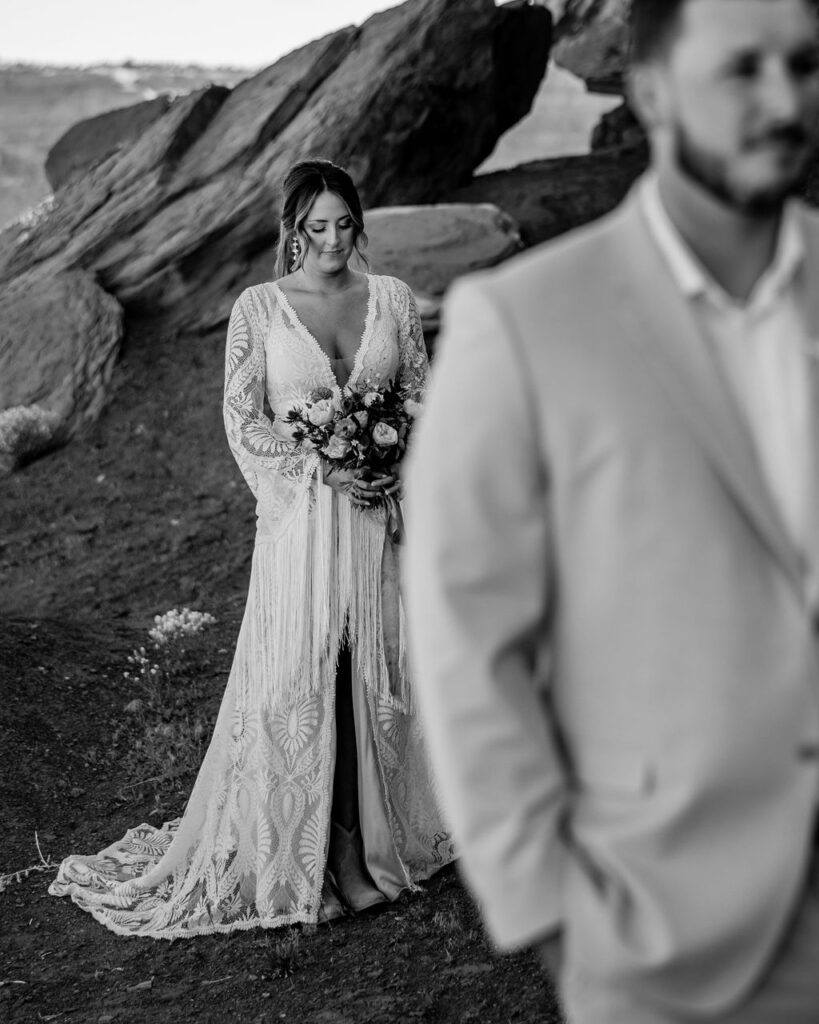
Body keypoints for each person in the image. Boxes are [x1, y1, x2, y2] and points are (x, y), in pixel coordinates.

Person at [404, 0, 819, 1021]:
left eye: (805, 64)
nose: (784, 100)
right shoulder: (523, 323)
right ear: (653, 88)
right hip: (670, 923)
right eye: (744, 69)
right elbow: (468, 637)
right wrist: (548, 908)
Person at [49, 158, 453, 937]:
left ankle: (367, 849)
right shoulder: (258, 309)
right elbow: (245, 422)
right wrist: (321, 465)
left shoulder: (393, 300)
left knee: (372, 673)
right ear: (292, 232)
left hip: (375, 517)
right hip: (302, 525)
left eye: (343, 224)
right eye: (316, 227)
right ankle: (309, 860)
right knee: (304, 676)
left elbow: (419, 399)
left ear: (357, 225)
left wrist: (388, 463)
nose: (332, 240)